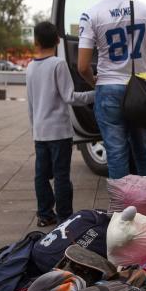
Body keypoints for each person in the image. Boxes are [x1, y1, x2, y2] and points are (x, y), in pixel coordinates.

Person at [77, 0, 146, 179]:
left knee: (116, 154)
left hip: (108, 89)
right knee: (143, 152)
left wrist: (94, 82)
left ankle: (121, 208)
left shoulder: (90, 15)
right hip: (140, 90)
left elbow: (82, 66)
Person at [26, 21, 95, 227]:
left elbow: (30, 103)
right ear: (57, 40)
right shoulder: (58, 64)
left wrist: (34, 130)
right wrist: (96, 94)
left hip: (40, 133)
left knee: (41, 176)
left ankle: (45, 214)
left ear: (36, 41)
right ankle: (65, 217)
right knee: (61, 176)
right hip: (59, 133)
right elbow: (70, 97)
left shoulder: (30, 67)